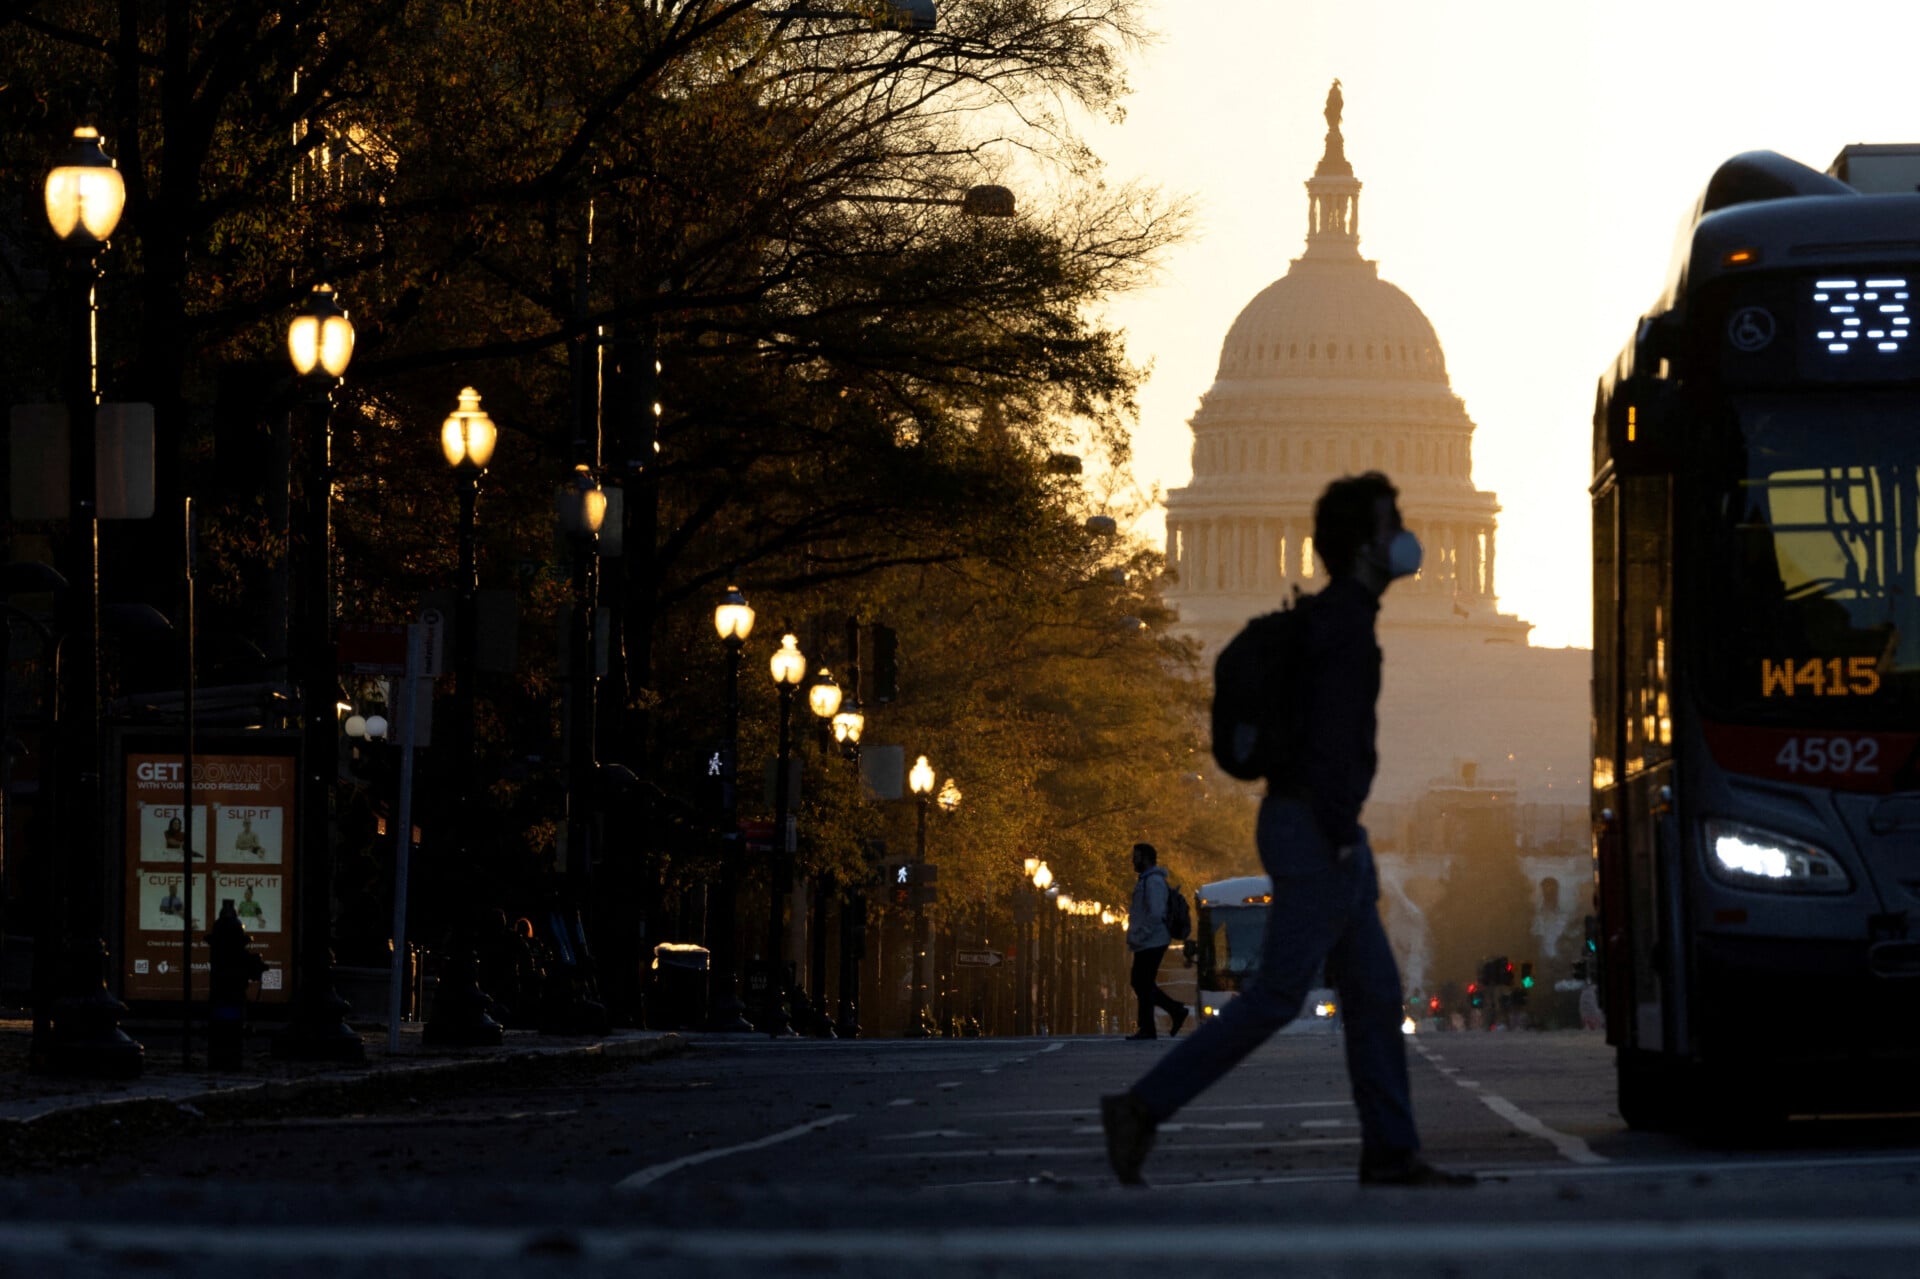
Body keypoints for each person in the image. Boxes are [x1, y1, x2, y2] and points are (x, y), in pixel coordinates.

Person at [1101, 472, 1474, 1188]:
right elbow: (1334, 747)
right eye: (1391, 522)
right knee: (1276, 995)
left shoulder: (1332, 620)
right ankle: (1142, 1107)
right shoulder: (1343, 633)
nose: (1405, 535)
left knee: (1373, 991)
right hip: (1317, 828)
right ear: (1366, 544)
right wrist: (1339, 836)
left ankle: (1391, 1148)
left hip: (1320, 826)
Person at [1123, 842, 1188, 1041]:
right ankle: (1164, 1017)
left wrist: (1140, 934)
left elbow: (1155, 913)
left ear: (1146, 858)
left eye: (1136, 856)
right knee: (1143, 983)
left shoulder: (1153, 882)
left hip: (1153, 940)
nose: (1133, 860)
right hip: (1148, 940)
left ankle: (1160, 1020)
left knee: (1141, 982)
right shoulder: (1146, 880)